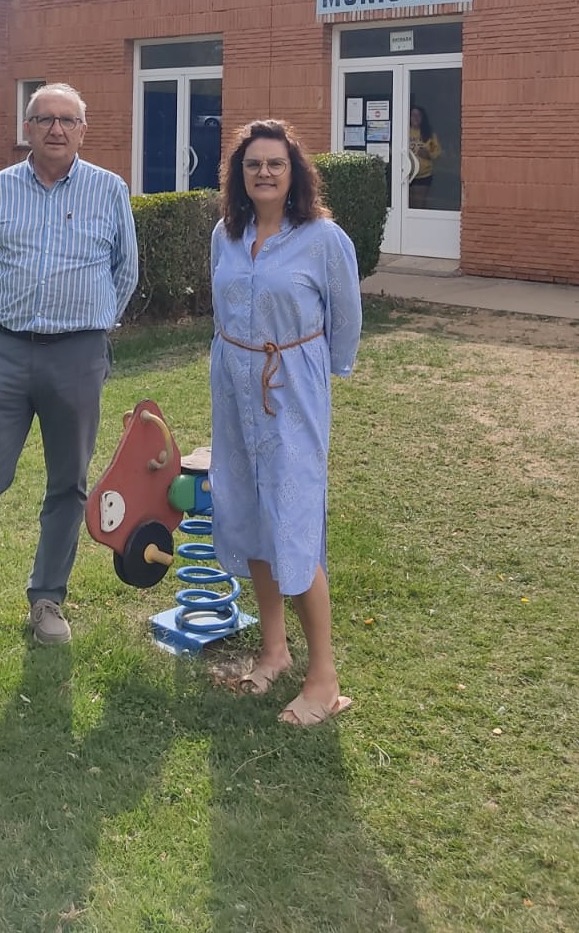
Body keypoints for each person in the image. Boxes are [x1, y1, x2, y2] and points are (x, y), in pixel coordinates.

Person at [0, 83, 139, 664]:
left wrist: (87, 326)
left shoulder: (110, 191)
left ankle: (47, 600)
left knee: (68, 484)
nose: (56, 129)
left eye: (68, 120)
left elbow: (125, 272)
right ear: (27, 128)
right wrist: (13, 323)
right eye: (44, 119)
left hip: (77, 356)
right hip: (3, 353)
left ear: (84, 130)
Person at [209, 118, 363, 726]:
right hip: (233, 384)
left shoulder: (323, 239)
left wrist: (323, 372)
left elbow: (345, 318)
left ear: (294, 172)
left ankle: (324, 678)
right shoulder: (226, 235)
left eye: (275, 163)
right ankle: (274, 649)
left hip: (291, 388)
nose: (264, 173)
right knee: (249, 510)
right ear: (239, 175)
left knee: (293, 519)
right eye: (253, 165)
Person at [407, 103, 441, 208]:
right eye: (413, 115)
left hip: (423, 175)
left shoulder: (429, 134)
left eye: (418, 115)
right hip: (406, 174)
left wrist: (428, 155)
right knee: (408, 204)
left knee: (420, 205)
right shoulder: (404, 132)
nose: (415, 118)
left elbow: (437, 153)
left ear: (422, 118)